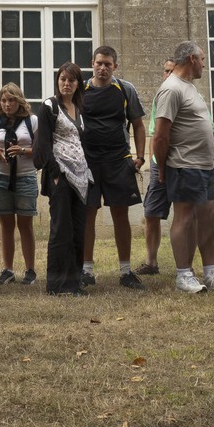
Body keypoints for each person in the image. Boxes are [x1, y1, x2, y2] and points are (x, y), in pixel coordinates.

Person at [151, 41, 214, 293]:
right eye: (202, 59)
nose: (204, 64)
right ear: (191, 59)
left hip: (206, 165)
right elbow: (160, 136)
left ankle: (210, 271)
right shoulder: (171, 89)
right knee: (184, 217)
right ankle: (183, 274)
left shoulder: (189, 88)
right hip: (183, 164)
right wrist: (164, 168)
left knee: (208, 215)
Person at [80, 46, 148, 289]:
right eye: (99, 63)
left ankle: (126, 271)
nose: (103, 68)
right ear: (92, 63)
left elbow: (138, 125)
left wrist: (139, 157)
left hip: (119, 161)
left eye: (108, 64)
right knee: (88, 214)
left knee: (120, 215)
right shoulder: (81, 90)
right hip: (88, 163)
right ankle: (86, 271)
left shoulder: (125, 89)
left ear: (115, 66)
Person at [34, 62, 93, 296]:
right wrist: (56, 175)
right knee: (61, 231)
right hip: (61, 177)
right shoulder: (49, 106)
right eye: (62, 79)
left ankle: (75, 281)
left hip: (81, 178)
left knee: (78, 230)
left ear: (78, 84)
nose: (66, 84)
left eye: (71, 80)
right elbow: (44, 145)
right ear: (58, 81)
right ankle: (57, 285)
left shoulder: (79, 109)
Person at [0, 83, 39, 285]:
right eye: (4, 100)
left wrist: (23, 151)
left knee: (25, 225)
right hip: (1, 179)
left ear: (19, 101)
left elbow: (41, 149)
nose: (7, 104)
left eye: (11, 100)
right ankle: (7, 269)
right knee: (6, 225)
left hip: (25, 178)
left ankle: (30, 270)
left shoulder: (32, 121)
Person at [137, 58, 177, 277]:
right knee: (151, 213)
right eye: (165, 71)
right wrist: (155, 166)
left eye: (172, 71)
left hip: (181, 162)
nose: (168, 75)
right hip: (157, 164)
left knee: (186, 214)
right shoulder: (159, 98)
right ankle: (151, 262)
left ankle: (186, 264)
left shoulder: (189, 95)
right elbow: (155, 134)